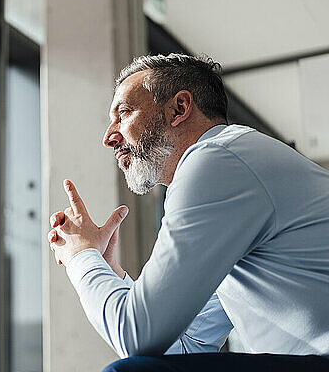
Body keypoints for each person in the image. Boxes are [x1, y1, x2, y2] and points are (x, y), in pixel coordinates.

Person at [46, 53, 329, 371]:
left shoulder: (215, 160)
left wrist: (82, 257)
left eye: (123, 113)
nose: (109, 137)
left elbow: (134, 335)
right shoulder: (232, 171)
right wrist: (111, 273)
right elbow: (182, 345)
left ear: (179, 108)